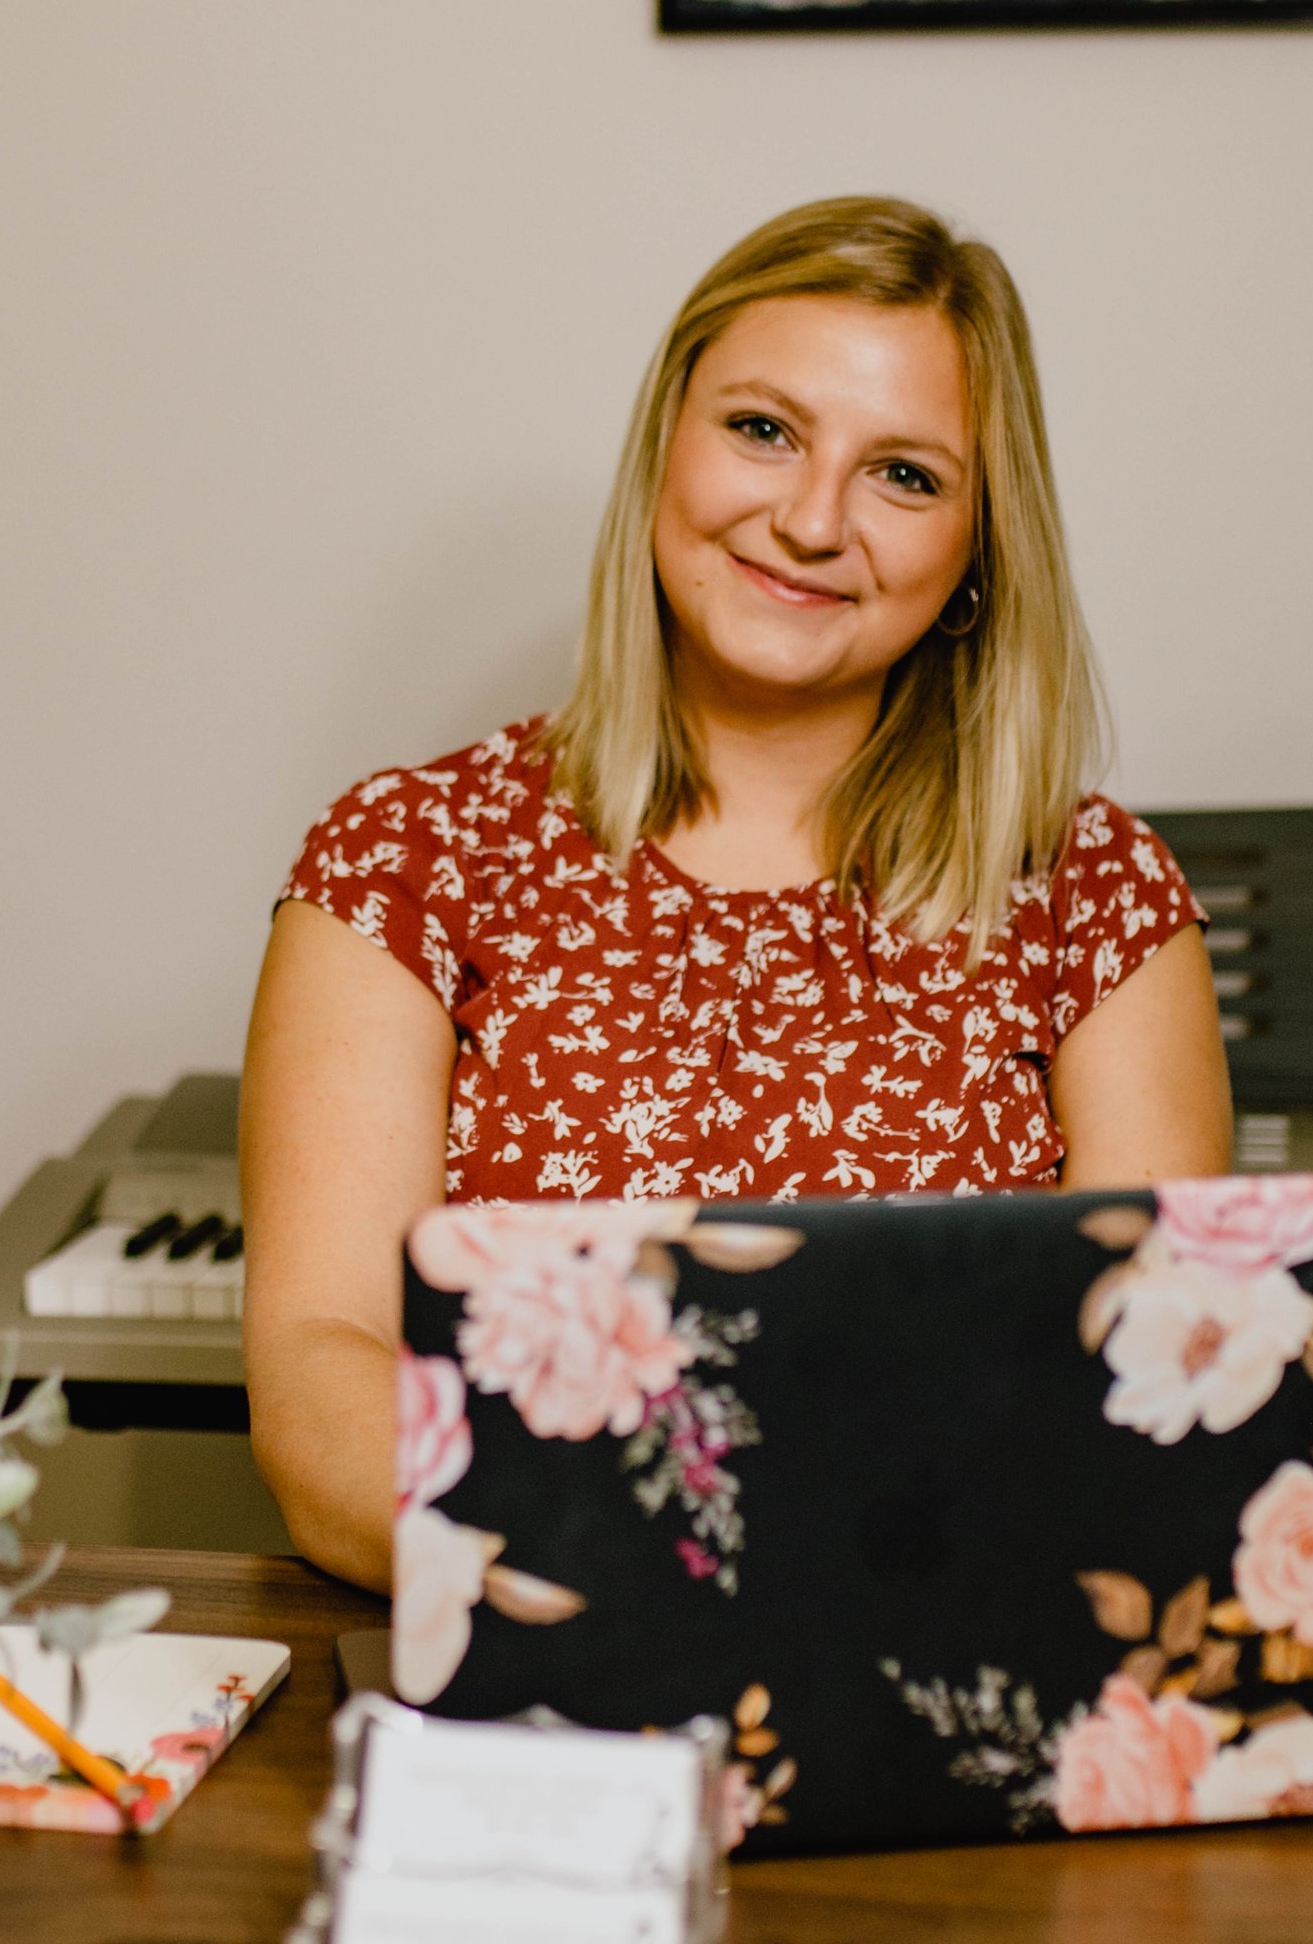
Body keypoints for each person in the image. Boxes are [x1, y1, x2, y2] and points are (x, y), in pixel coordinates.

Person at [240, 197, 1230, 1585]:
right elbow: (316, 1376)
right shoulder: (405, 860)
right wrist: (687, 1558)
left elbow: (1161, 1405)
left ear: (974, 556)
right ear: (665, 447)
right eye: (763, 429)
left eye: (905, 474)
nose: (812, 519)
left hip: (938, 1723)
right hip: (540, 1716)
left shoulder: (1097, 896)